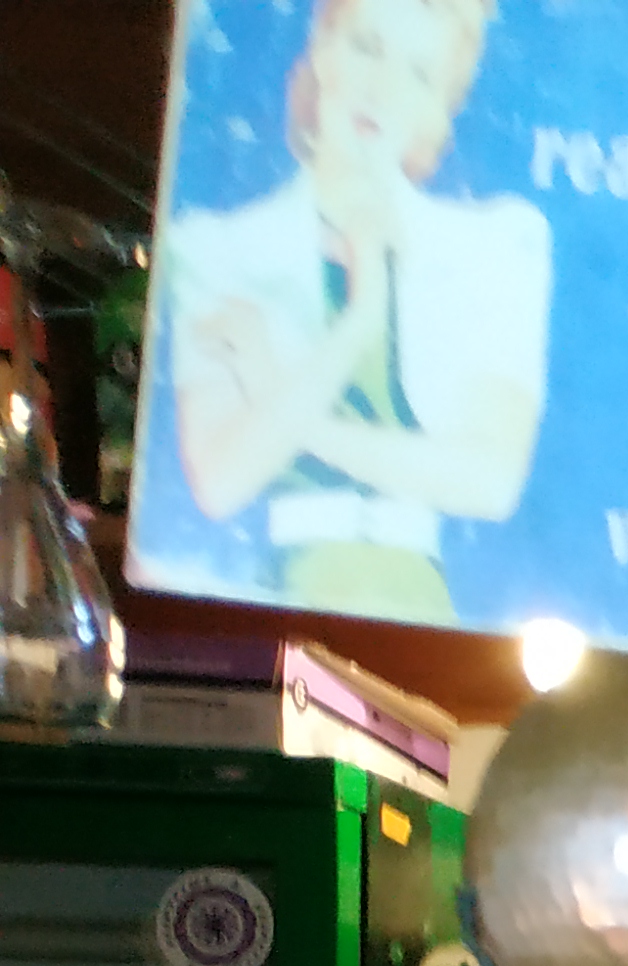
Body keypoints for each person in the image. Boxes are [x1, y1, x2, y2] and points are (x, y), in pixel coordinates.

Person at [161, 0, 549, 619]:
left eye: (419, 74)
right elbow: (218, 481)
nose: (383, 90)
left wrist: (283, 409)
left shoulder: (495, 247)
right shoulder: (217, 249)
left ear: (438, 110)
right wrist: (356, 327)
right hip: (276, 598)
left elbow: (489, 482)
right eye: (368, 48)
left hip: (418, 611)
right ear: (322, 49)